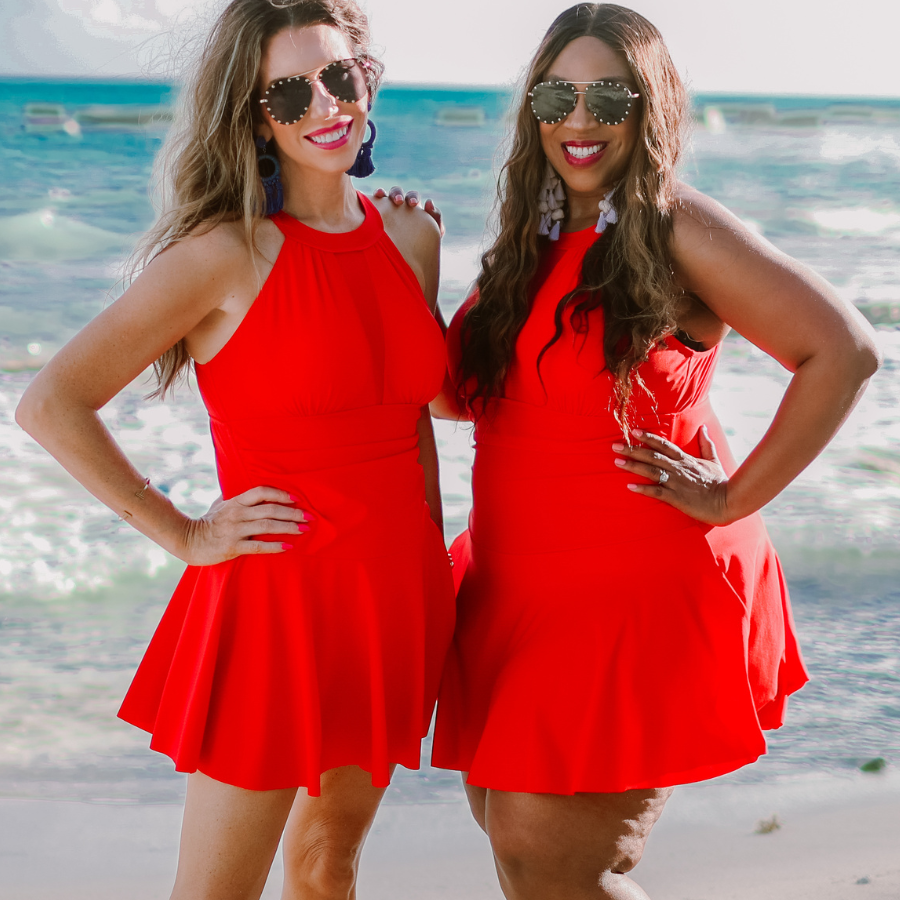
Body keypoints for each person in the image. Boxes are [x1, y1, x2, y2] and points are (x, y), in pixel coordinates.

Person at [420, 4, 881, 899]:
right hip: (516, 584)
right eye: (558, 93)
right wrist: (412, 269)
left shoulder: (674, 226)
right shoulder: (529, 242)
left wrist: (732, 495)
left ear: (651, 106)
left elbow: (843, 351)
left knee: (553, 859)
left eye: (609, 96)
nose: (580, 118)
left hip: (630, 591)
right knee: (517, 843)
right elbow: (453, 400)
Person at [15, 1, 454, 898]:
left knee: (329, 866)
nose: (325, 104)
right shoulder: (223, 255)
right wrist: (182, 533)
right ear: (256, 117)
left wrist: (435, 575)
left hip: (391, 598)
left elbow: (417, 412)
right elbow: (52, 402)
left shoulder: (411, 237)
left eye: (341, 76)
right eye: (288, 93)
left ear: (367, 79)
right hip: (275, 608)